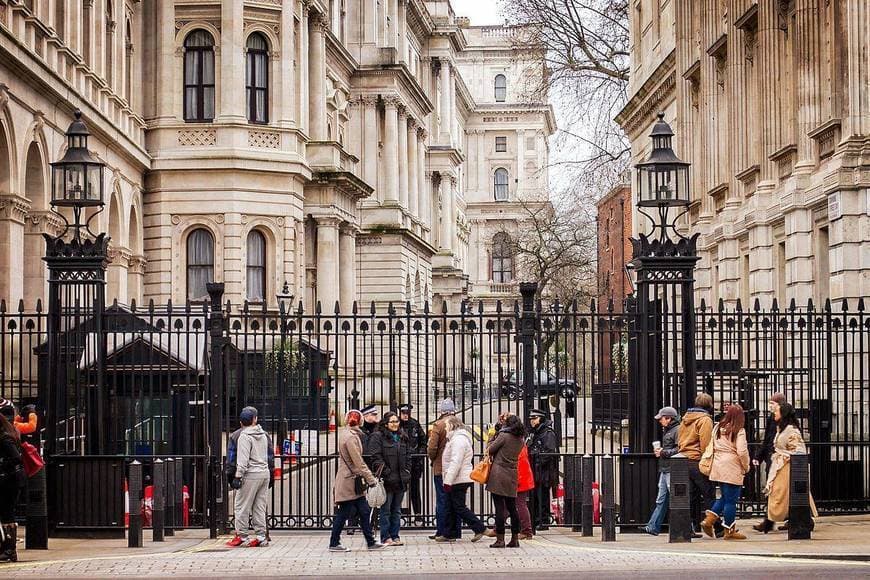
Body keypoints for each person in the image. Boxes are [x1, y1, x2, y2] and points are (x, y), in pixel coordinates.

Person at [754, 402, 818, 533]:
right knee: (782, 495)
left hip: (787, 467)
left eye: (777, 411)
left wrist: (787, 457)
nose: (774, 413)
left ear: (783, 414)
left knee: (780, 494)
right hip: (780, 466)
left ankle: (772, 521)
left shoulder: (791, 430)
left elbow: (799, 450)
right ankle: (799, 520)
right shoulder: (782, 428)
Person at [329, 410, 385, 552]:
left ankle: (370, 541)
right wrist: (371, 479)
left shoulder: (348, 434)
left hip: (353, 481)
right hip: (349, 481)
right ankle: (334, 543)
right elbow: (358, 462)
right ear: (359, 421)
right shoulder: (350, 437)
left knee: (364, 511)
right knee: (343, 513)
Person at [440, 415, 496, 543]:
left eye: (447, 425)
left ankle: (480, 528)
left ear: (452, 425)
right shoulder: (456, 438)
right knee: (452, 506)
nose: (445, 428)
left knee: (459, 507)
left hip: (459, 479)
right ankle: (450, 533)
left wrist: (448, 480)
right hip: (458, 477)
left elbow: (456, 462)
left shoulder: (458, 440)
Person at [702, 404, 751, 540]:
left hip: (718, 465)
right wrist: (746, 466)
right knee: (731, 500)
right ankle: (729, 531)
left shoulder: (718, 427)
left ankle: (709, 520)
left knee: (724, 497)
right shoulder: (738, 430)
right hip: (732, 466)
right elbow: (741, 451)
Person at [228, 407, 272, 547]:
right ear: (255, 419)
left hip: (251, 474)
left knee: (241, 505)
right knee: (259, 506)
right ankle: (261, 536)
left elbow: (243, 460)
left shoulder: (244, 437)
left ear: (241, 422)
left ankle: (242, 535)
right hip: (264, 473)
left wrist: (237, 476)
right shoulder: (263, 434)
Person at [368, 411, 411, 546]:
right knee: (386, 510)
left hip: (401, 479)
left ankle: (395, 535)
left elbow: (408, 455)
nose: (395, 424)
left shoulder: (402, 436)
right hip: (387, 479)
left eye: (396, 421)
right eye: (392, 422)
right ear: (386, 424)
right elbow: (375, 457)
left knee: (397, 510)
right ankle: (385, 536)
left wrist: (407, 470)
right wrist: (386, 472)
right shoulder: (378, 436)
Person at [677, 392, 716, 538]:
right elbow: (706, 443)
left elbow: (680, 440)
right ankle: (716, 526)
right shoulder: (705, 420)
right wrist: (707, 460)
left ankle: (690, 527)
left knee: (691, 497)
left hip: (683, 460)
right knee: (709, 494)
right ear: (709, 405)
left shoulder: (685, 419)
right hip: (697, 461)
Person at [486, 414, 525, 548]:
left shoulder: (503, 436)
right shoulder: (521, 439)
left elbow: (490, 450)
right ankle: (515, 539)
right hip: (512, 473)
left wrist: (492, 435)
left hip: (498, 474)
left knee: (499, 508)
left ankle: (500, 539)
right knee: (512, 508)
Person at [641, 406, 680, 536]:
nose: (659, 421)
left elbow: (680, 449)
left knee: (676, 498)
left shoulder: (676, 431)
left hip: (671, 468)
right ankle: (653, 526)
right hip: (665, 468)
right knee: (662, 499)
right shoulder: (669, 430)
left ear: (669, 418)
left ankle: (685, 527)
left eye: (661, 418)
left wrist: (663, 452)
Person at [428, 398, 460, 541]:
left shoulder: (438, 425)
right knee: (455, 500)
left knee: (442, 500)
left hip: (441, 469)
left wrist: (432, 458)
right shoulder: (460, 425)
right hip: (456, 469)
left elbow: (432, 448)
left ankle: (442, 531)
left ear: (441, 411)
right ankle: (455, 531)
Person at [526, 409, 559, 532]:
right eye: (531, 419)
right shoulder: (534, 432)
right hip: (535, 470)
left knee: (543, 496)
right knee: (534, 496)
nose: (532, 421)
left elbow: (550, 452)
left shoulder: (547, 433)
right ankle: (535, 520)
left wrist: (537, 461)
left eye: (534, 419)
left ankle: (543, 520)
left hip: (544, 470)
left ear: (540, 419)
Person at [0, 412, 25, 563]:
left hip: (9, 480)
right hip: (10, 479)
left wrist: (2, 464)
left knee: (7, 513)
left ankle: (9, 550)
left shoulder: (5, 438)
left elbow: (16, 458)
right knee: (6, 513)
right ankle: (6, 548)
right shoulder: (10, 434)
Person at [399, 404, 427, 518]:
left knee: (415, 489)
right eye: (403, 413)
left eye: (407, 413)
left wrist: (419, 454)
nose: (405, 415)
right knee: (398, 489)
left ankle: (418, 513)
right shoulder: (396, 425)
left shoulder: (415, 424)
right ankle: (397, 513)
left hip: (414, 462)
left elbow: (423, 441)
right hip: (401, 462)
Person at [753, 393, 786, 471]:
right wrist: (758, 456)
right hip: (771, 455)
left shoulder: (787, 419)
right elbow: (767, 439)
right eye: (770, 403)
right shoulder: (771, 418)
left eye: (772, 403)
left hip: (782, 457)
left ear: (779, 405)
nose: (770, 406)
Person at [516, 442, 535, 539]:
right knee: (519, 504)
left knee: (520, 504)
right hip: (522, 479)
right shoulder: (520, 443)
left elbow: (520, 464)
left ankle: (527, 531)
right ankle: (527, 530)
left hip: (520, 480)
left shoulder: (518, 446)